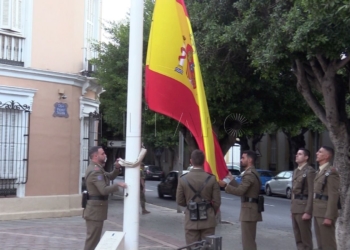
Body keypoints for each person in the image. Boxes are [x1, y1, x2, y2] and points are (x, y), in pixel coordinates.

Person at [83, 146, 127, 250]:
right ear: (95, 156)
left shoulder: (98, 168)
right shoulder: (95, 171)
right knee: (92, 242)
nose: (105, 155)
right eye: (102, 154)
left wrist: (116, 168)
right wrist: (118, 185)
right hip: (95, 211)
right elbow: (103, 190)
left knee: (94, 240)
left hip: (96, 210)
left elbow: (109, 176)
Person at [218, 150, 262, 250]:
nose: (241, 160)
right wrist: (232, 179)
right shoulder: (251, 172)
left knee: (248, 242)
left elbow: (240, 191)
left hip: (249, 211)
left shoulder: (249, 174)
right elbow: (243, 189)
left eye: (243, 158)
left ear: (250, 160)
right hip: (250, 210)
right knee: (249, 240)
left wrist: (225, 185)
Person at [176, 149, 221, 245]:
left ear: (191, 161)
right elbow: (217, 201)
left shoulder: (183, 179)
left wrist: (190, 205)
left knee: (192, 247)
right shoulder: (212, 178)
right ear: (204, 161)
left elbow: (179, 200)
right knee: (208, 247)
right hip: (208, 220)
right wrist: (209, 210)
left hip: (191, 220)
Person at [313, 146, 339, 250]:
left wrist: (329, 216)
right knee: (321, 244)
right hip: (318, 211)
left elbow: (334, 196)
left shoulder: (331, 172)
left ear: (327, 156)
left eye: (320, 152)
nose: (316, 153)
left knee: (328, 244)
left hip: (325, 213)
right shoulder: (319, 171)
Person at [291, 148, 316, 250]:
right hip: (295, 207)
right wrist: (291, 209)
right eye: (297, 154)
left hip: (303, 207)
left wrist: (308, 211)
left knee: (305, 237)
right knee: (298, 237)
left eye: (300, 154)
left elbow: (311, 192)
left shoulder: (309, 171)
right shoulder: (296, 171)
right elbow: (293, 191)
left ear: (306, 157)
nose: (297, 155)